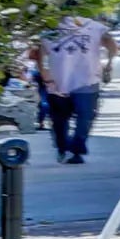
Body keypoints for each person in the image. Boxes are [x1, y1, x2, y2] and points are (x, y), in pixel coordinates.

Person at [39, 12, 113, 163]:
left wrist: (44, 73)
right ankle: (71, 148)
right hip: (81, 80)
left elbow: (39, 54)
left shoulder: (49, 28)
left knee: (64, 118)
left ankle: (70, 148)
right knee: (81, 117)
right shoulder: (93, 27)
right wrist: (109, 63)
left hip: (66, 80)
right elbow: (111, 44)